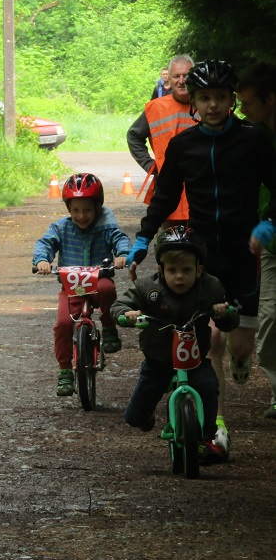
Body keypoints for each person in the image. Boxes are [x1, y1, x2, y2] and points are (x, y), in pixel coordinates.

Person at [127, 59, 276, 455]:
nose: (213, 105)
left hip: (244, 252)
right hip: (203, 255)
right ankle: (216, 427)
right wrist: (143, 237)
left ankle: (241, 362)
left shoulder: (253, 140)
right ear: (193, 101)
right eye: (205, 98)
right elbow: (164, 195)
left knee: (240, 348)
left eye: (221, 97)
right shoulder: (183, 145)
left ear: (231, 100)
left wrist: (268, 224)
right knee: (210, 343)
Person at [113, 227, 238, 462]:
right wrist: (127, 314)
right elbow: (120, 305)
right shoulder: (148, 288)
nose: (179, 277)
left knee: (209, 386)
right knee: (134, 418)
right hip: (158, 361)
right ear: (161, 270)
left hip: (194, 360)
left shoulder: (210, 288)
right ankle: (146, 415)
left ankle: (206, 438)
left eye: (186, 270)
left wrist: (224, 313)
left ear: (199, 270)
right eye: (172, 270)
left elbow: (230, 318)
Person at [33, 173, 131, 397]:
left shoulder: (106, 227)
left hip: (99, 280)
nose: (81, 215)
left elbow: (120, 239)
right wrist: (42, 260)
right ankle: (65, 370)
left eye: (87, 210)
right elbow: (45, 243)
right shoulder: (61, 228)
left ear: (97, 207)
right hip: (71, 288)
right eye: (75, 210)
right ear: (68, 209)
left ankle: (109, 327)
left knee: (107, 289)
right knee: (63, 324)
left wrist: (123, 254)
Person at [236, 61, 276, 419]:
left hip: (268, 230)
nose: (242, 109)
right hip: (269, 244)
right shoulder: (256, 135)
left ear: (270, 99)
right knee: (270, 319)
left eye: (248, 102)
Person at [128, 55, 195, 226]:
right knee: (170, 241)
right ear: (168, 79)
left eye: (186, 75)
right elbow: (134, 136)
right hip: (169, 193)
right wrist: (150, 165)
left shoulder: (209, 104)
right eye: (176, 76)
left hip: (204, 194)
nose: (181, 81)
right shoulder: (156, 108)